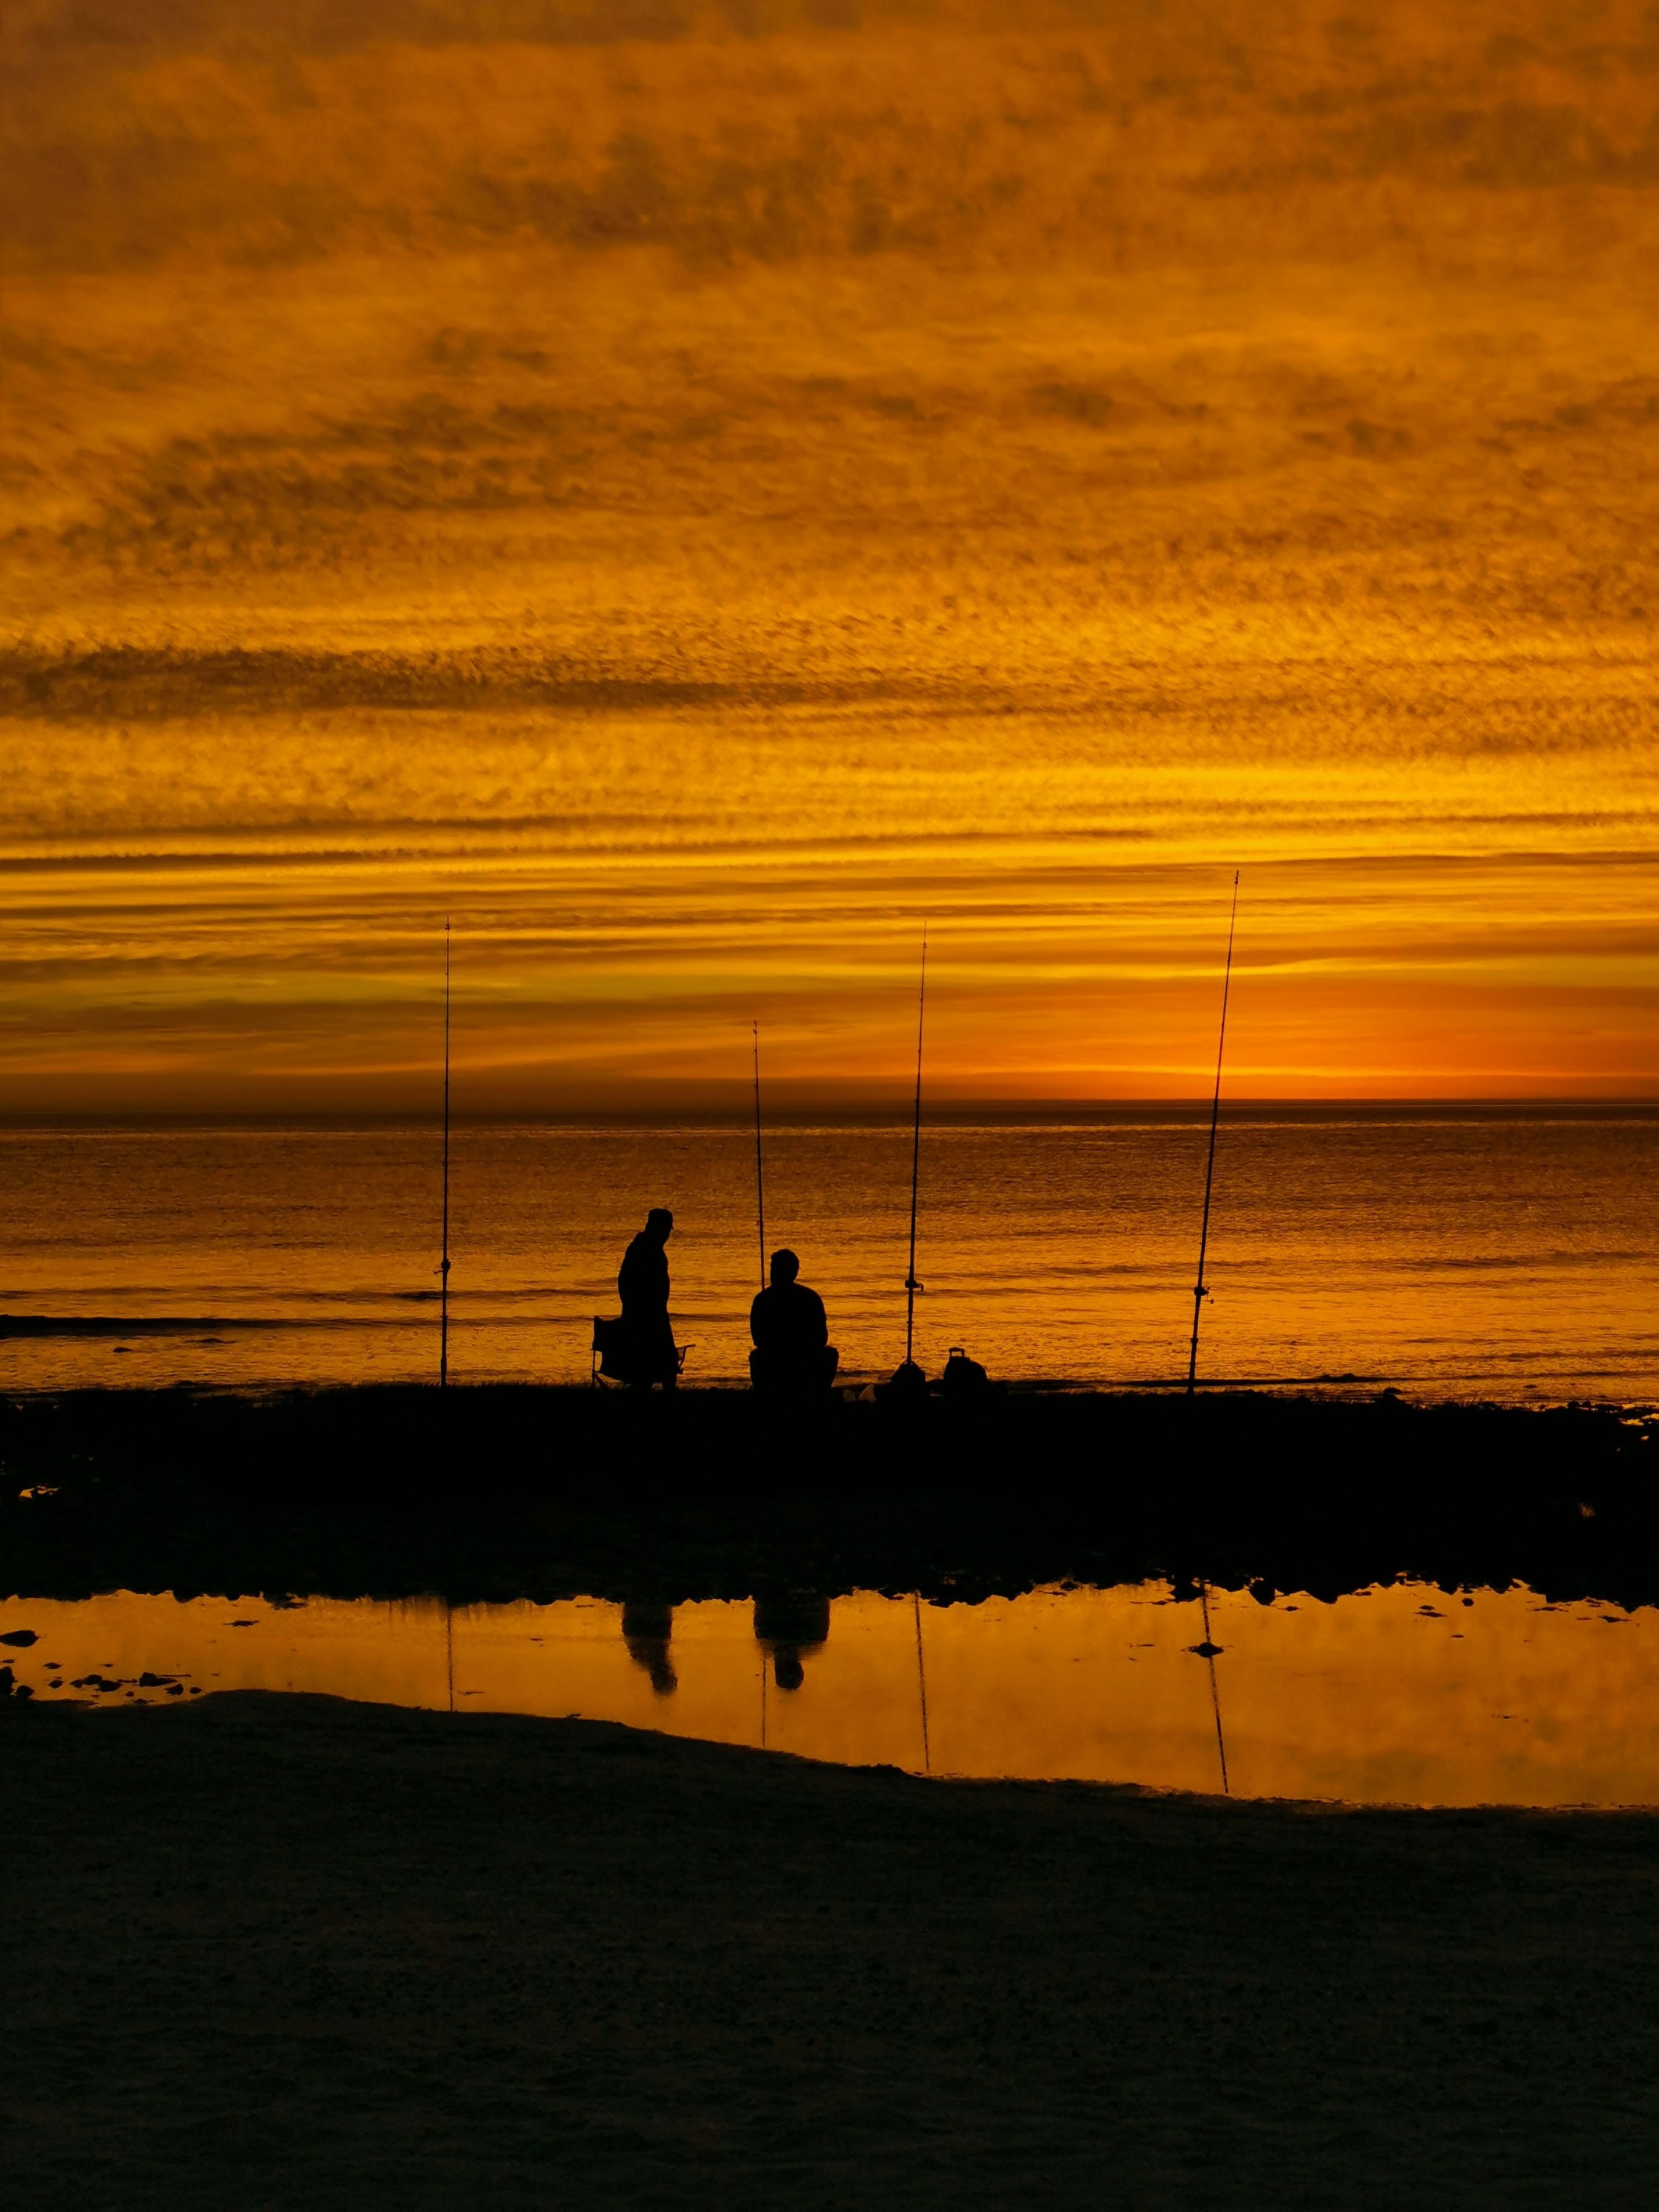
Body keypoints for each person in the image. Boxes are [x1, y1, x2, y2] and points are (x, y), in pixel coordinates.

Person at [749, 1249, 838, 1396]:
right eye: (772, 1267)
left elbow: (757, 1338)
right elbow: (821, 1338)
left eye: (775, 1268)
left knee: (757, 1356)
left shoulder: (763, 1299)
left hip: (782, 1359)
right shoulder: (810, 1297)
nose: (772, 1272)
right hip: (800, 1359)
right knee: (830, 1354)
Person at [616, 1207, 679, 1389]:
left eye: (668, 1230)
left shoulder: (643, 1248)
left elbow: (623, 1283)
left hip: (651, 1315)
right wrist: (639, 1309)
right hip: (649, 1318)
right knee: (662, 1366)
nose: (667, 1235)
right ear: (655, 1228)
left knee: (655, 1368)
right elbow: (627, 1283)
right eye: (666, 1229)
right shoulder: (646, 1250)